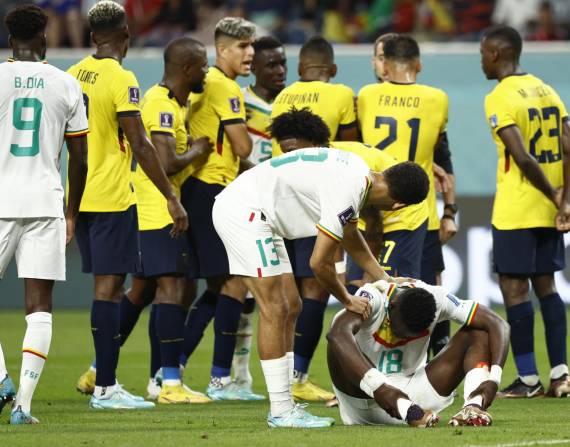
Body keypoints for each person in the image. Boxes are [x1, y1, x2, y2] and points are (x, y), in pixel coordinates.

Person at [212, 143, 429, 427]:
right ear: (398, 205)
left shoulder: (358, 173)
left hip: (258, 212)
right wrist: (347, 299)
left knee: (291, 305)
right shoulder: (350, 189)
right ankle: (281, 410)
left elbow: (350, 235)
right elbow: (319, 264)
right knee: (275, 308)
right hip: (246, 213)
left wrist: (383, 278)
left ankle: (286, 403)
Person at [69, 0, 187, 410]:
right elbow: (140, 142)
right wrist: (171, 197)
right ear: (126, 36)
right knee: (109, 290)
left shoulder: (71, 74)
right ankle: (105, 387)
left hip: (80, 196)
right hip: (113, 195)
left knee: (107, 290)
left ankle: (103, 381)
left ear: (90, 36)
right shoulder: (122, 78)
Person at [270, 107, 431, 404]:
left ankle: (391, 384)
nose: (287, 157)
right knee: (355, 296)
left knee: (390, 300)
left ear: (311, 144)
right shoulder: (319, 167)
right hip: (368, 216)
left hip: (400, 216)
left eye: (292, 150)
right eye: (283, 151)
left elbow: (373, 221)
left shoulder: (343, 171)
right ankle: (320, 381)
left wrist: (377, 273)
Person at [0, 4, 88, 424]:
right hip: (45, 202)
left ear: (9, 37)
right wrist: (71, 213)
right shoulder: (66, 84)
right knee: (39, 307)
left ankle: (1, 380)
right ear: (45, 36)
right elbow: (80, 158)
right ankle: (24, 407)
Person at [481, 25, 570, 398]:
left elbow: (521, 156)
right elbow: (568, 143)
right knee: (547, 286)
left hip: (518, 208)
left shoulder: (499, 96)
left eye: (483, 53)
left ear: (497, 54)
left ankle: (529, 380)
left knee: (514, 289)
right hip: (551, 211)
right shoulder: (547, 89)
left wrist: (553, 193)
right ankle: (562, 375)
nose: (482, 60)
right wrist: (564, 202)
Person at [269, 35, 359, 403]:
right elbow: (350, 145)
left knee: (286, 294)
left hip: (279, 197)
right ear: (331, 69)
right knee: (315, 288)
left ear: (299, 69)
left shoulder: (282, 97)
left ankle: (280, 374)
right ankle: (299, 376)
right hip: (317, 200)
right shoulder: (341, 94)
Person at [358, 34, 458, 357]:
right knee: (432, 287)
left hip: (379, 209)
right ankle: (441, 360)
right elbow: (442, 155)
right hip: (423, 208)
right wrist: (450, 210)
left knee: (385, 289)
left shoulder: (366, 96)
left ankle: (380, 364)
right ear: (418, 64)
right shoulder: (437, 98)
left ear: (384, 64)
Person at [179, 17, 262, 401]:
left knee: (216, 286)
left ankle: (174, 367)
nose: (250, 54)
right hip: (212, 190)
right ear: (222, 49)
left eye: (252, 46)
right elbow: (243, 147)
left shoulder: (203, 83)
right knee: (233, 282)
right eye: (243, 47)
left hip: (204, 188)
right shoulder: (225, 87)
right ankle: (218, 381)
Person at [130, 37, 215, 404]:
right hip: (157, 208)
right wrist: (197, 150)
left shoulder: (173, 104)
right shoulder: (160, 105)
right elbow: (164, 163)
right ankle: (169, 384)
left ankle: (100, 373)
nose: (206, 71)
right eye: (202, 65)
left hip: (158, 207)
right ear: (186, 69)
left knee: (145, 291)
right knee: (172, 290)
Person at [326, 280, 510, 427]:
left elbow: (499, 324)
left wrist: (493, 379)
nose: (401, 339)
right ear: (393, 306)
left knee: (478, 331)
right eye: (399, 331)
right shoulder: (374, 298)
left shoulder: (437, 299)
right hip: (366, 400)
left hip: (415, 395)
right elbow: (337, 335)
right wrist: (380, 387)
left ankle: (473, 407)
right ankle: (406, 409)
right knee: (337, 341)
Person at [232, 35, 287, 392]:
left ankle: (241, 374)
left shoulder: (292, 102)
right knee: (238, 292)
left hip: (280, 208)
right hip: (244, 204)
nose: (280, 70)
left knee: (267, 296)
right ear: (255, 69)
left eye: (283, 63)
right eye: (272, 64)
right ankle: (232, 372)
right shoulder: (240, 102)